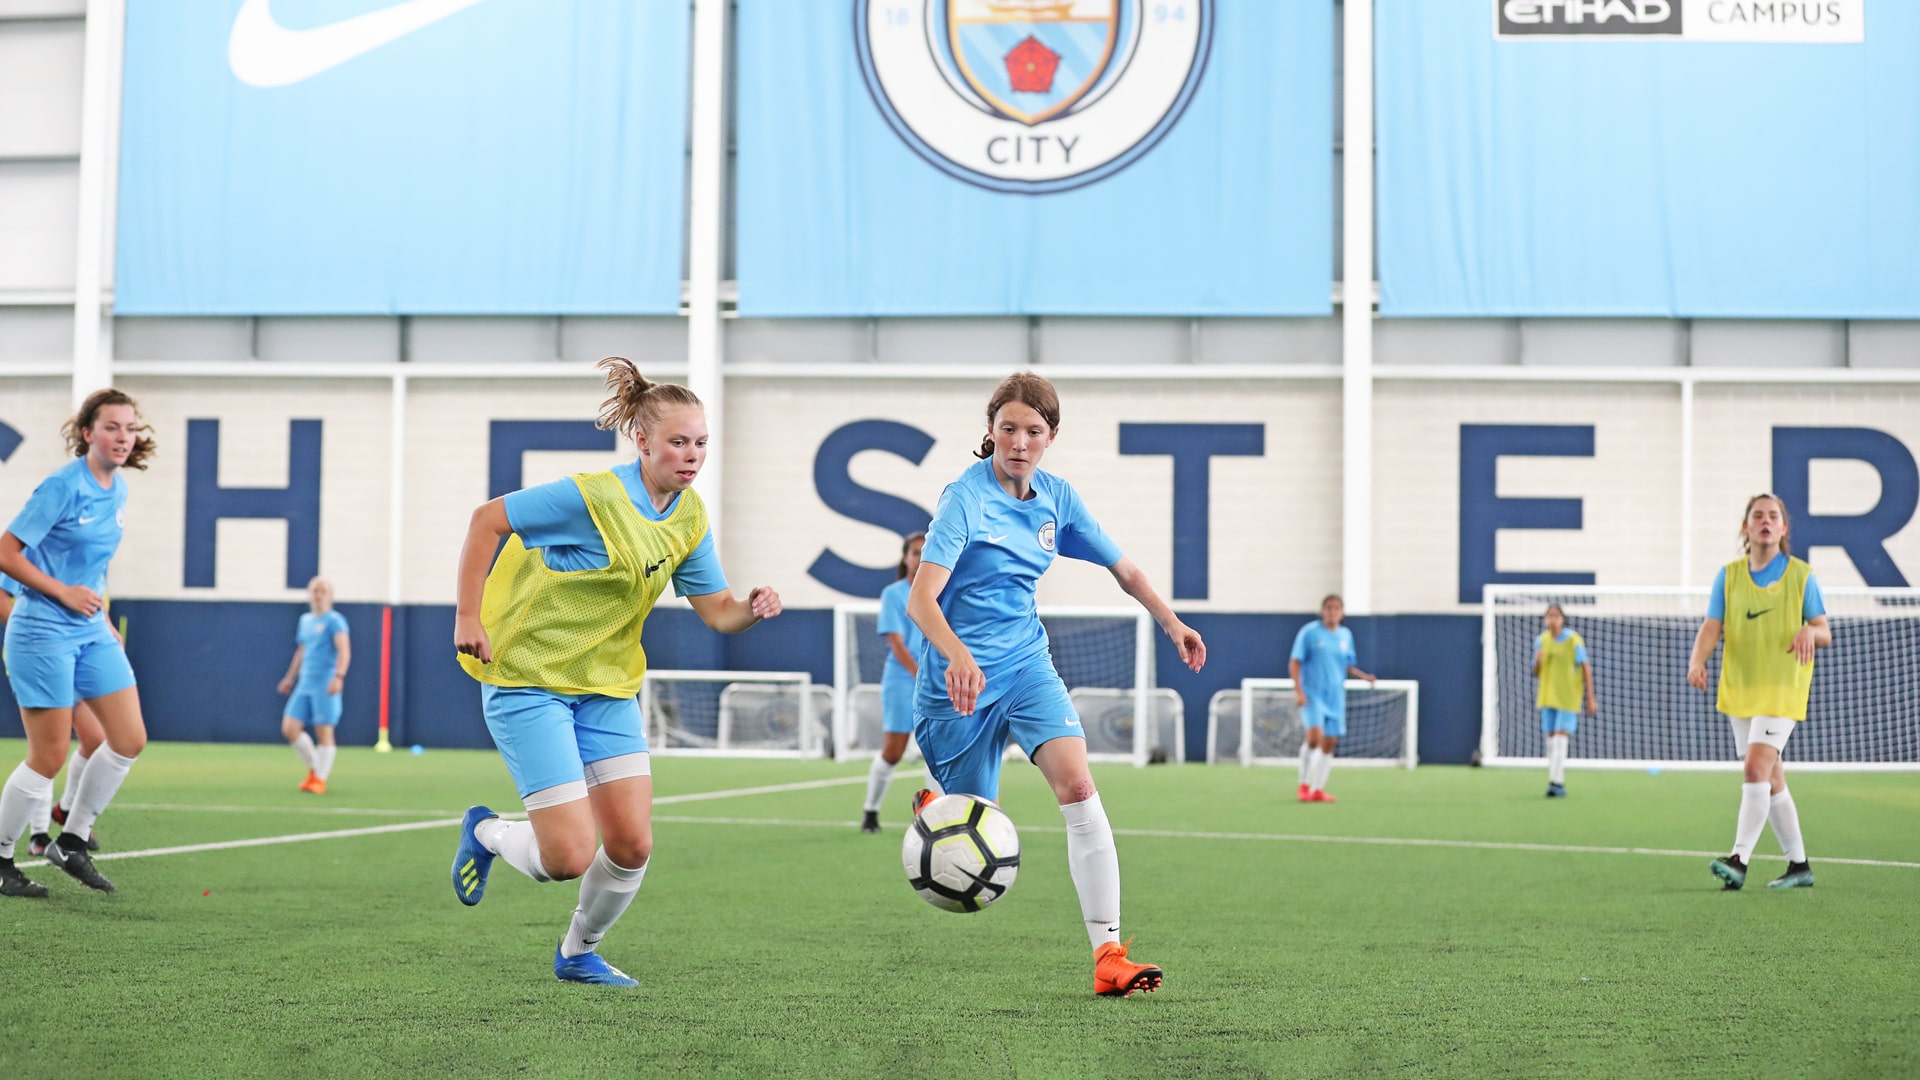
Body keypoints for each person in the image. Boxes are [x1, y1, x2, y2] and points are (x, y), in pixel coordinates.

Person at [448, 357, 782, 986]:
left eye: (702, 443)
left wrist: (752, 611)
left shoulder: (688, 516)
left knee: (632, 845)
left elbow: (718, 614)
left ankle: (578, 952)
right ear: (643, 440)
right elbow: (485, 520)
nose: (692, 455)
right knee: (568, 856)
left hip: (606, 689)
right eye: (679, 442)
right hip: (529, 679)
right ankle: (488, 831)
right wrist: (469, 614)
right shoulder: (589, 497)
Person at [906, 371, 1204, 998]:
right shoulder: (965, 498)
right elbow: (921, 601)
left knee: (1080, 785)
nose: (1019, 441)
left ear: (1052, 436)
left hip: (1025, 666)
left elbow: (1124, 568)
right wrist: (958, 655)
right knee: (973, 822)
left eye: (1033, 431)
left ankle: (1109, 955)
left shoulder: (1057, 498)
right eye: (1008, 428)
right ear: (990, 431)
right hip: (956, 685)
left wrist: (1173, 623)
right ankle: (937, 804)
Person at [0, 389, 156, 897]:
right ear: (87, 433)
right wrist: (62, 592)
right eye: (112, 427)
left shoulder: (119, 490)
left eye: (129, 428)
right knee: (49, 756)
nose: (123, 437)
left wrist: (103, 615)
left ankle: (70, 840)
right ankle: (1, 859)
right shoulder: (62, 487)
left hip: (90, 631)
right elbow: (6, 552)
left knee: (128, 739)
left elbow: (93, 566)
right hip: (41, 629)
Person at [1687, 493, 1826, 891]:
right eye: (1757, 516)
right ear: (1746, 527)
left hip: (1783, 688)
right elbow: (1712, 626)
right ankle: (1799, 866)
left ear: (1783, 528)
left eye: (1773, 516)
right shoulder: (1728, 576)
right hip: (1742, 687)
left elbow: (1824, 631)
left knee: (1754, 767)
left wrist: (1809, 630)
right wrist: (1697, 660)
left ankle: (1738, 860)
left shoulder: (1802, 576)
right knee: (1771, 776)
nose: (1765, 521)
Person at [859, 531, 935, 834]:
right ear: (905, 558)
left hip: (935, 682)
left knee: (935, 751)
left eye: (924, 552)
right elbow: (896, 642)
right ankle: (871, 811)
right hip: (903, 681)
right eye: (915, 552)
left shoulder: (941, 590)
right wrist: (920, 674)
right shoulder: (893, 594)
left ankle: (933, 818)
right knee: (893, 752)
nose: (919, 557)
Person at [1289, 594, 1375, 803]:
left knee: (1329, 743)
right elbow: (1295, 661)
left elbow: (1345, 664)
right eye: (1329, 607)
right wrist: (1298, 691)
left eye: (1337, 608)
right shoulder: (1309, 632)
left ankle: (1318, 789)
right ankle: (1303, 785)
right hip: (1313, 694)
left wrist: (1363, 676)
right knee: (1314, 738)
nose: (1333, 611)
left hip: (1335, 697)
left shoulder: (1346, 635)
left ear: (1342, 612)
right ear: (1323, 610)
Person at [277, 576, 350, 794]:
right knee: (289, 729)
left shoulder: (335, 621)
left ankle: (319, 779)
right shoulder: (305, 621)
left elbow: (344, 650)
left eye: (323, 591)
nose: (318, 595)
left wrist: (339, 676)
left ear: (330, 596)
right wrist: (290, 677)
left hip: (325, 682)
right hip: (305, 683)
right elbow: (302, 651)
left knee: (324, 731)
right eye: (315, 591)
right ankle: (315, 768)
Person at [1531, 603, 1596, 798]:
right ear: (1545, 619)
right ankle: (1554, 779)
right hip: (1547, 696)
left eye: (1556, 616)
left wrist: (1590, 697)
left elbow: (1586, 667)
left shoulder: (1573, 640)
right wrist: (1538, 660)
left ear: (1562, 619)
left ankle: (1557, 781)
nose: (1553, 619)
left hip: (1568, 696)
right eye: (1549, 616)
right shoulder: (1541, 641)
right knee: (1550, 739)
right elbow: (1535, 671)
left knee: (1560, 737)